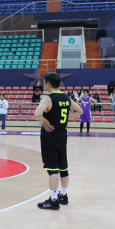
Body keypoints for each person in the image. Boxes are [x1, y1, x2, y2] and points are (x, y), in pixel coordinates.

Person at [34, 73, 83, 211]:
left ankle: (54, 200)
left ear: (48, 84)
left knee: (52, 169)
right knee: (63, 167)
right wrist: (67, 119)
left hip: (49, 137)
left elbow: (37, 114)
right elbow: (79, 110)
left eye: (44, 83)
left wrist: (44, 120)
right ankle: (63, 195)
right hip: (62, 136)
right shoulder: (66, 97)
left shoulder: (48, 99)